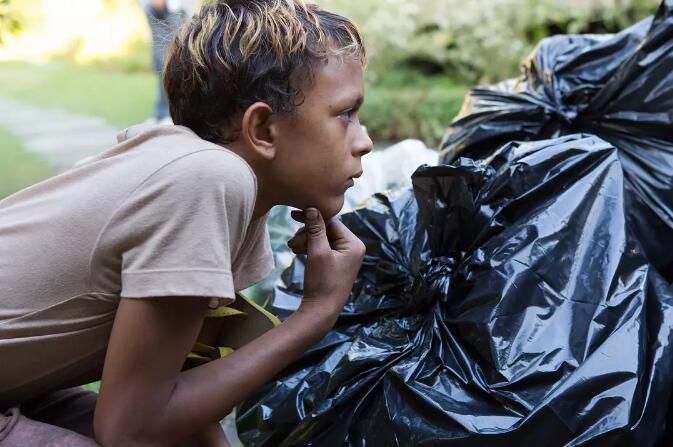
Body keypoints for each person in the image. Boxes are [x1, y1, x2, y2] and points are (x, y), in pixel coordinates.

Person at [0, 1, 372, 445]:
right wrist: (316, 314)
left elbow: (172, 395)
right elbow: (132, 430)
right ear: (263, 128)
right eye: (345, 114)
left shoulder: (222, 182)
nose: (365, 141)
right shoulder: (209, 180)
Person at [138, 0, 194, 124]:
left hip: (176, 9)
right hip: (155, 8)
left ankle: (169, 113)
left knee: (173, 62)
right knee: (161, 65)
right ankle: (160, 113)